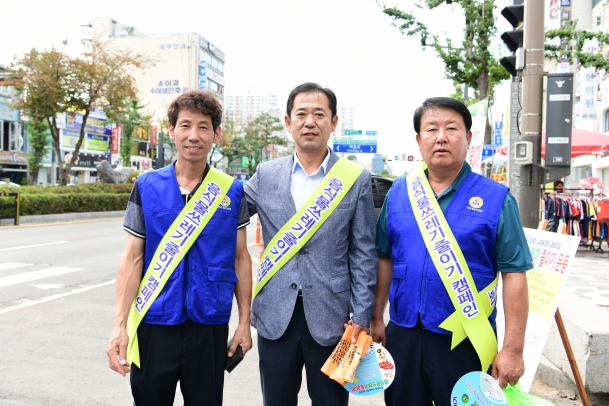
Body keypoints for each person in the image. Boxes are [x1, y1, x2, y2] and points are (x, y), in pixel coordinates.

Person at [372, 97, 532, 406]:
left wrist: (513, 349)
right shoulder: (399, 193)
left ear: (468, 138)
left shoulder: (497, 198)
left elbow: (514, 275)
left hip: (467, 341)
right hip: (403, 335)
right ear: (419, 140)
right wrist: (377, 318)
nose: (441, 136)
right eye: (431, 129)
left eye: (452, 128)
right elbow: (384, 258)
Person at [106, 90, 252, 406]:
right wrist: (119, 327)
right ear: (172, 130)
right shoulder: (146, 186)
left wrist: (243, 323)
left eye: (203, 127)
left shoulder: (232, 191)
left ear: (216, 134)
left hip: (209, 324)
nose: (193, 136)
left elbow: (241, 258)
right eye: (185, 125)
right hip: (154, 324)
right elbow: (132, 259)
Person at [244, 82, 378, 406]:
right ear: (288, 122)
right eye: (301, 114)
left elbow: (363, 252)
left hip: (334, 320)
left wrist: (362, 315)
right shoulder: (265, 174)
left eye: (319, 114)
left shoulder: (354, 178)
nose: (310, 121)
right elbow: (224, 213)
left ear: (333, 123)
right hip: (276, 315)